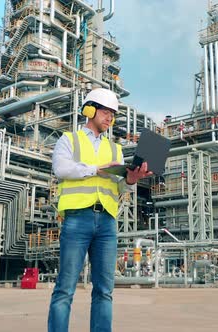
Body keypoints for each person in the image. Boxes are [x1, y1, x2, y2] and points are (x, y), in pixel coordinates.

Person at [48, 88, 152, 332]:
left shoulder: (115, 149)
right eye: (105, 111)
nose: (109, 118)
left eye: (113, 114)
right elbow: (61, 169)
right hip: (77, 219)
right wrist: (96, 169)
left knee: (105, 291)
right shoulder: (69, 140)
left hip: (106, 222)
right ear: (89, 110)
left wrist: (132, 179)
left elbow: (119, 187)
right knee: (65, 289)